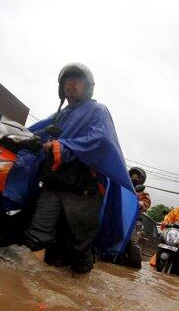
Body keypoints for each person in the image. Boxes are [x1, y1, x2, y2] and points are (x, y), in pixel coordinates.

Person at [18, 63, 137, 274]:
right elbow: (35, 133)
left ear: (88, 86)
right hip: (54, 185)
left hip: (83, 191)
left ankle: (79, 297)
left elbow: (100, 140)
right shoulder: (60, 116)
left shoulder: (98, 111)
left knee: (79, 250)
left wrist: (61, 146)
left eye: (77, 79)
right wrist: (8, 135)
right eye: (67, 80)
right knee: (36, 236)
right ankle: (25, 287)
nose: (70, 84)